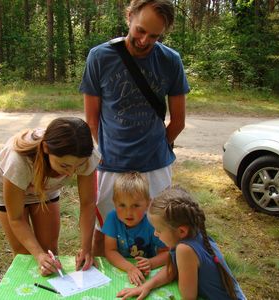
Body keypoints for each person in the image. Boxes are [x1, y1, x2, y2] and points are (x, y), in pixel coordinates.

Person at [80, 0, 190, 256]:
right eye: (140, 30)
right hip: (111, 165)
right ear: (129, 17)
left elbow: (179, 121)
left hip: (155, 166)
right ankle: (100, 284)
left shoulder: (170, 60)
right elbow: (92, 121)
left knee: (160, 231)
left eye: (154, 36)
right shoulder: (100, 57)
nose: (144, 40)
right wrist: (106, 152)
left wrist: (156, 147)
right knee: (105, 229)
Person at [0, 117, 101, 276]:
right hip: (7, 185)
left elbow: (88, 204)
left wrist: (86, 248)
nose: (70, 173)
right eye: (64, 165)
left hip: (46, 187)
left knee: (50, 252)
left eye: (78, 166)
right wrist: (38, 255)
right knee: (25, 255)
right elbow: (16, 218)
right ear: (46, 148)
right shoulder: (18, 162)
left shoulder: (86, 155)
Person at [117, 186, 246, 300]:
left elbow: (188, 296)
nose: (155, 234)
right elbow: (171, 270)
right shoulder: (196, 232)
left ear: (181, 231)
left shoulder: (184, 249)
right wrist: (147, 286)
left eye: (159, 230)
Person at [102, 172, 169, 286]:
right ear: (114, 202)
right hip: (120, 268)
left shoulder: (152, 223)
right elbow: (110, 250)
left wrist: (151, 263)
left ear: (148, 204)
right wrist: (130, 268)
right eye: (122, 205)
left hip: (147, 271)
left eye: (136, 205)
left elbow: (167, 252)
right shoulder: (112, 218)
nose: (128, 212)